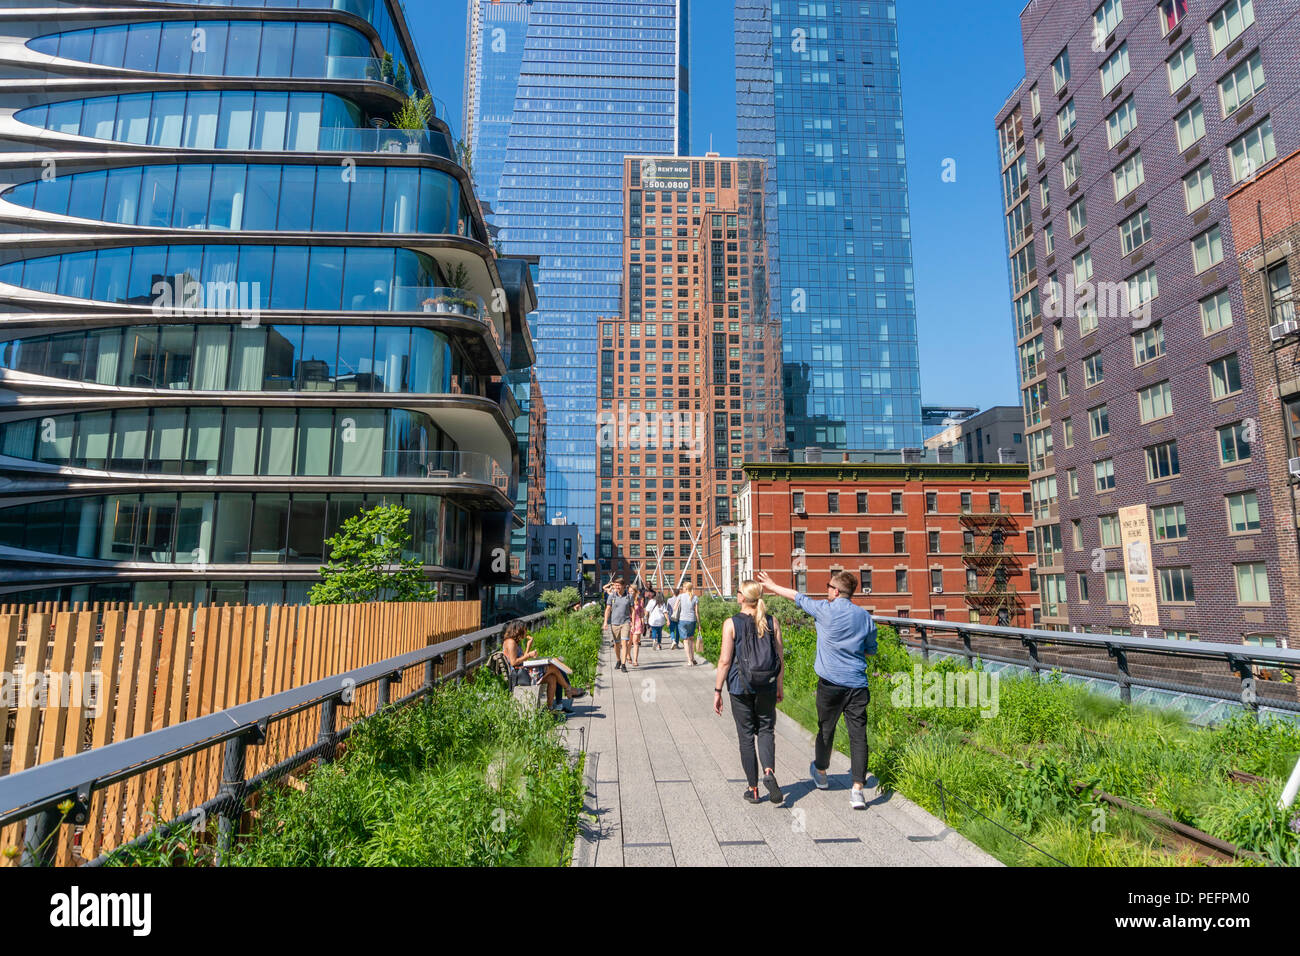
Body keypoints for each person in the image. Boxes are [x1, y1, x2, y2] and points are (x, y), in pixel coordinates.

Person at [757, 569, 877, 809]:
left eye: (828, 586)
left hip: (830, 683)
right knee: (858, 736)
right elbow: (870, 649)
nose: (826, 589)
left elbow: (795, 596)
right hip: (857, 685)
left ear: (835, 591)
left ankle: (821, 773)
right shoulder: (864, 617)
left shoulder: (824, 609)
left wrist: (770, 584)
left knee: (826, 729)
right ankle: (857, 791)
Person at [713, 580, 784, 805]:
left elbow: (725, 661)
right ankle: (769, 771)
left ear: (743, 597)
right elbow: (779, 658)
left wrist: (717, 690)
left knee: (745, 737)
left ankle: (753, 789)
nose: (736, 594)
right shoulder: (772, 621)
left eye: (738, 592)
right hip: (767, 685)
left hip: (740, 686)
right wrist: (779, 686)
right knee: (766, 730)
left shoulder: (731, 623)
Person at [501, 620, 586, 711]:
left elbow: (523, 659)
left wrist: (528, 646)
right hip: (521, 676)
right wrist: (529, 655)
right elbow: (514, 662)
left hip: (523, 673)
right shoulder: (511, 642)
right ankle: (569, 689)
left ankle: (550, 709)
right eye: (525, 629)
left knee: (552, 678)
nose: (526, 632)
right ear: (519, 630)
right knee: (553, 667)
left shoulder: (513, 642)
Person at [603, 577, 634, 672]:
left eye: (619, 585)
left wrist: (632, 621)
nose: (617, 587)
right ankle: (618, 660)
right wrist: (605, 622)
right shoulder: (612, 596)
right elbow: (608, 609)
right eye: (615, 585)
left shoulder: (629, 596)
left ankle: (624, 664)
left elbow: (632, 610)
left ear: (624, 586)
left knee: (624, 643)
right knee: (617, 644)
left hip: (626, 622)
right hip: (614, 623)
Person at [676, 580, 700, 665]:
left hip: (682, 620)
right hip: (692, 620)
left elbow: (675, 608)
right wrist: (699, 624)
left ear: (686, 588)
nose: (682, 589)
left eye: (683, 587)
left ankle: (689, 661)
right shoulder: (695, 597)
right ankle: (693, 658)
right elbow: (697, 612)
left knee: (685, 641)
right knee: (691, 640)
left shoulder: (680, 596)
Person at [629, 587, 646, 667]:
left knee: (635, 641)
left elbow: (642, 611)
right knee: (629, 641)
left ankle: (635, 660)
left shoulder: (639, 600)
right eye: (629, 591)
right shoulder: (627, 599)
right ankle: (628, 655)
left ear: (635, 592)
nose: (631, 593)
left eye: (632, 591)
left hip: (637, 621)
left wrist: (643, 621)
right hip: (628, 621)